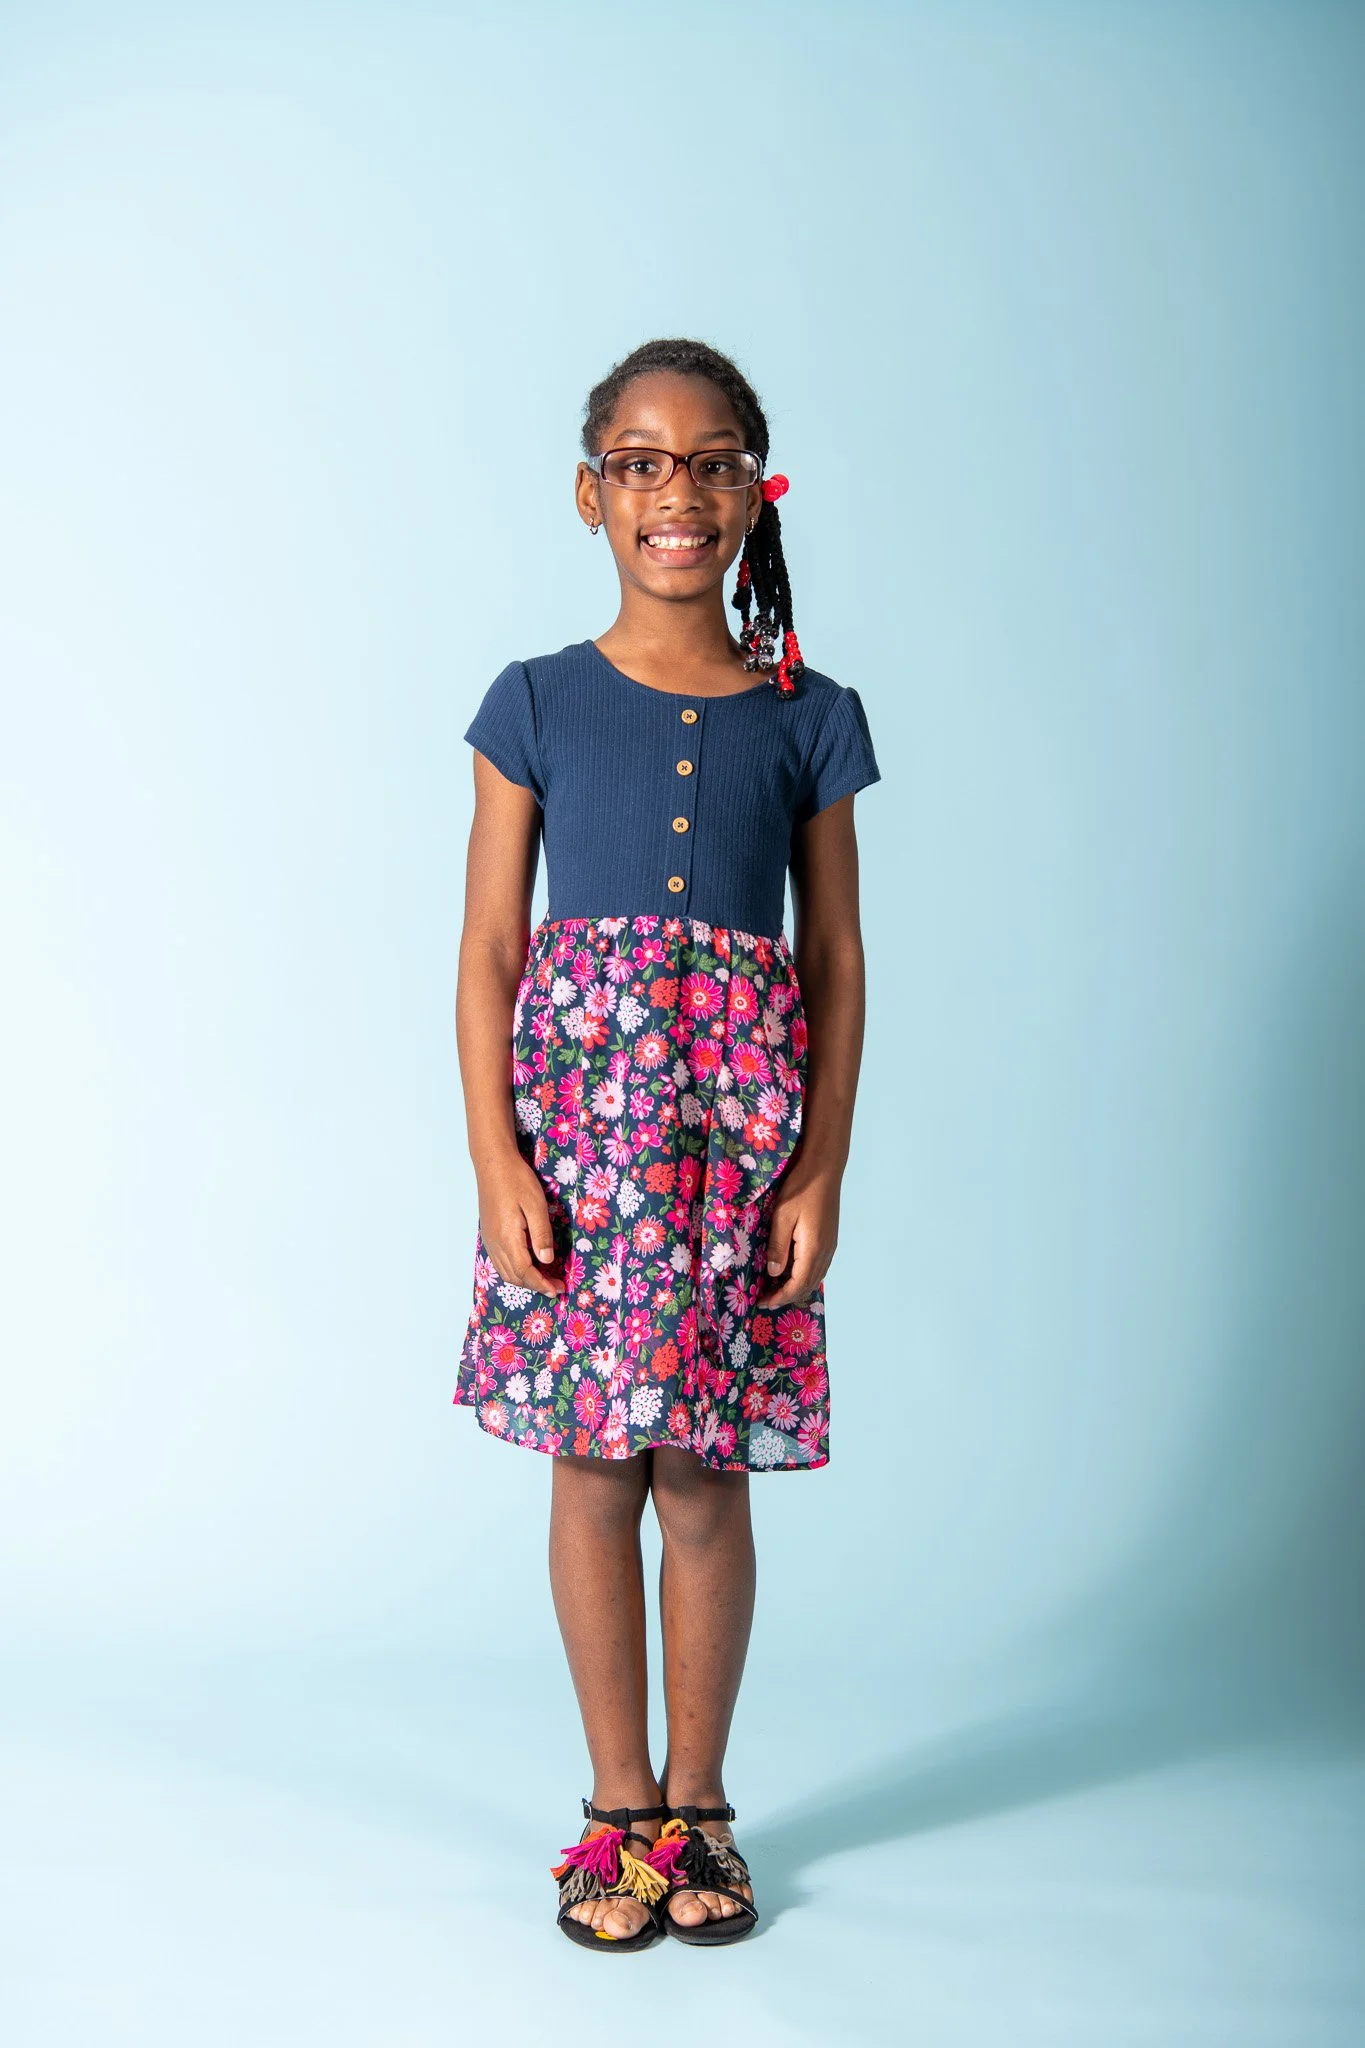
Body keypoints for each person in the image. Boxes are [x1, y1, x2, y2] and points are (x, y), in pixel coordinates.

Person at [453, 337, 881, 1950]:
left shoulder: (811, 719)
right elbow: (491, 953)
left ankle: (701, 1808)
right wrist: (497, 1161)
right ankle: (617, 1809)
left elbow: (835, 958)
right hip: (581, 1144)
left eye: (710, 463)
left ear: (756, 493)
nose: (675, 492)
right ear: (594, 495)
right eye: (640, 462)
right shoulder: (535, 703)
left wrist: (821, 1166)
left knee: (703, 1472)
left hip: (732, 1146)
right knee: (593, 1461)